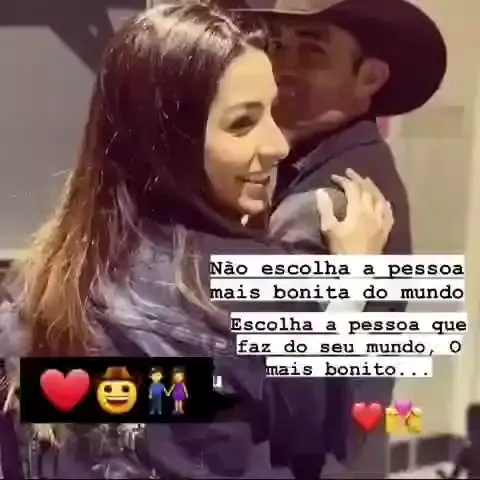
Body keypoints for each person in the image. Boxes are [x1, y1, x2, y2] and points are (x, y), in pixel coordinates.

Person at [0, 1, 394, 478]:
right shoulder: (249, 293)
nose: (278, 144)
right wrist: (354, 280)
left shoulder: (34, 289)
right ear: (168, 139)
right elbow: (329, 439)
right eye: (242, 123)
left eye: (272, 112)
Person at [218, 0, 447, 477]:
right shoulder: (326, 170)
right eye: (277, 46)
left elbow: (273, 385)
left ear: (370, 78)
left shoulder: (325, 205)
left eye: (312, 52)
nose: (282, 67)